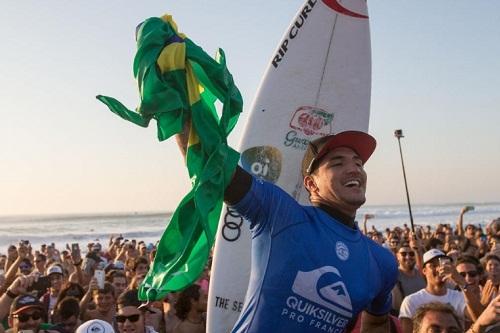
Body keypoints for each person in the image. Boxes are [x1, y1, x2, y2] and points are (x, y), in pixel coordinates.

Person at [177, 130, 398, 332]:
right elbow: (213, 167)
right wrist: (177, 101)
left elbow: (377, 321)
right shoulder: (279, 214)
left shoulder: (381, 262)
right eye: (337, 163)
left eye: (359, 164)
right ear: (311, 184)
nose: (354, 169)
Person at [399, 249, 482, 333]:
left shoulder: (459, 296)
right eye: (433, 265)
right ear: (424, 271)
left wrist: (462, 282)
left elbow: (480, 319)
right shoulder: (411, 301)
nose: (439, 268)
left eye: (442, 264)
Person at [391, 244, 425, 316]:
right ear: (397, 256)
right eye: (403, 254)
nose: (408, 257)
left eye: (411, 254)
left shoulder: (423, 274)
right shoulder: (393, 277)